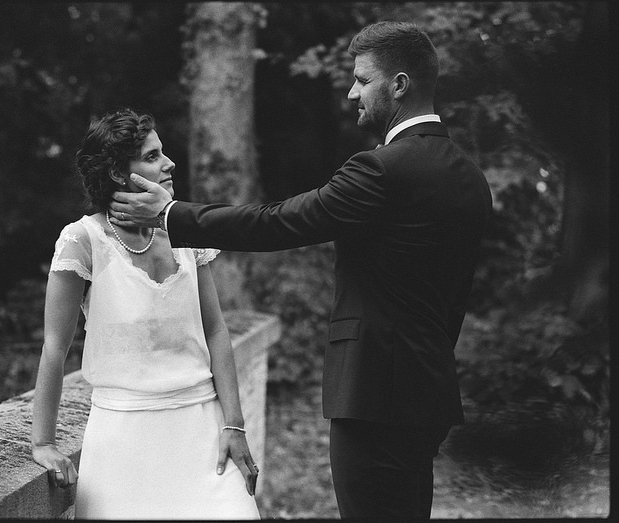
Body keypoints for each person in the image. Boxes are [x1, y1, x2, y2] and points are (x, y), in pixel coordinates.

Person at [109, 21, 493, 519]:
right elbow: (451, 301)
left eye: (363, 79)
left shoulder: (381, 170)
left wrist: (168, 214)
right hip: (428, 390)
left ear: (399, 85)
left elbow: (277, 223)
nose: (353, 92)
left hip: (373, 394)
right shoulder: (470, 178)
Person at [30, 108, 260, 519]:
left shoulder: (186, 231)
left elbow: (216, 331)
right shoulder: (83, 240)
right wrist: (43, 442)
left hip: (202, 430)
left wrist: (234, 424)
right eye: (153, 156)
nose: (169, 163)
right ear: (120, 173)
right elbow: (55, 346)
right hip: (123, 440)